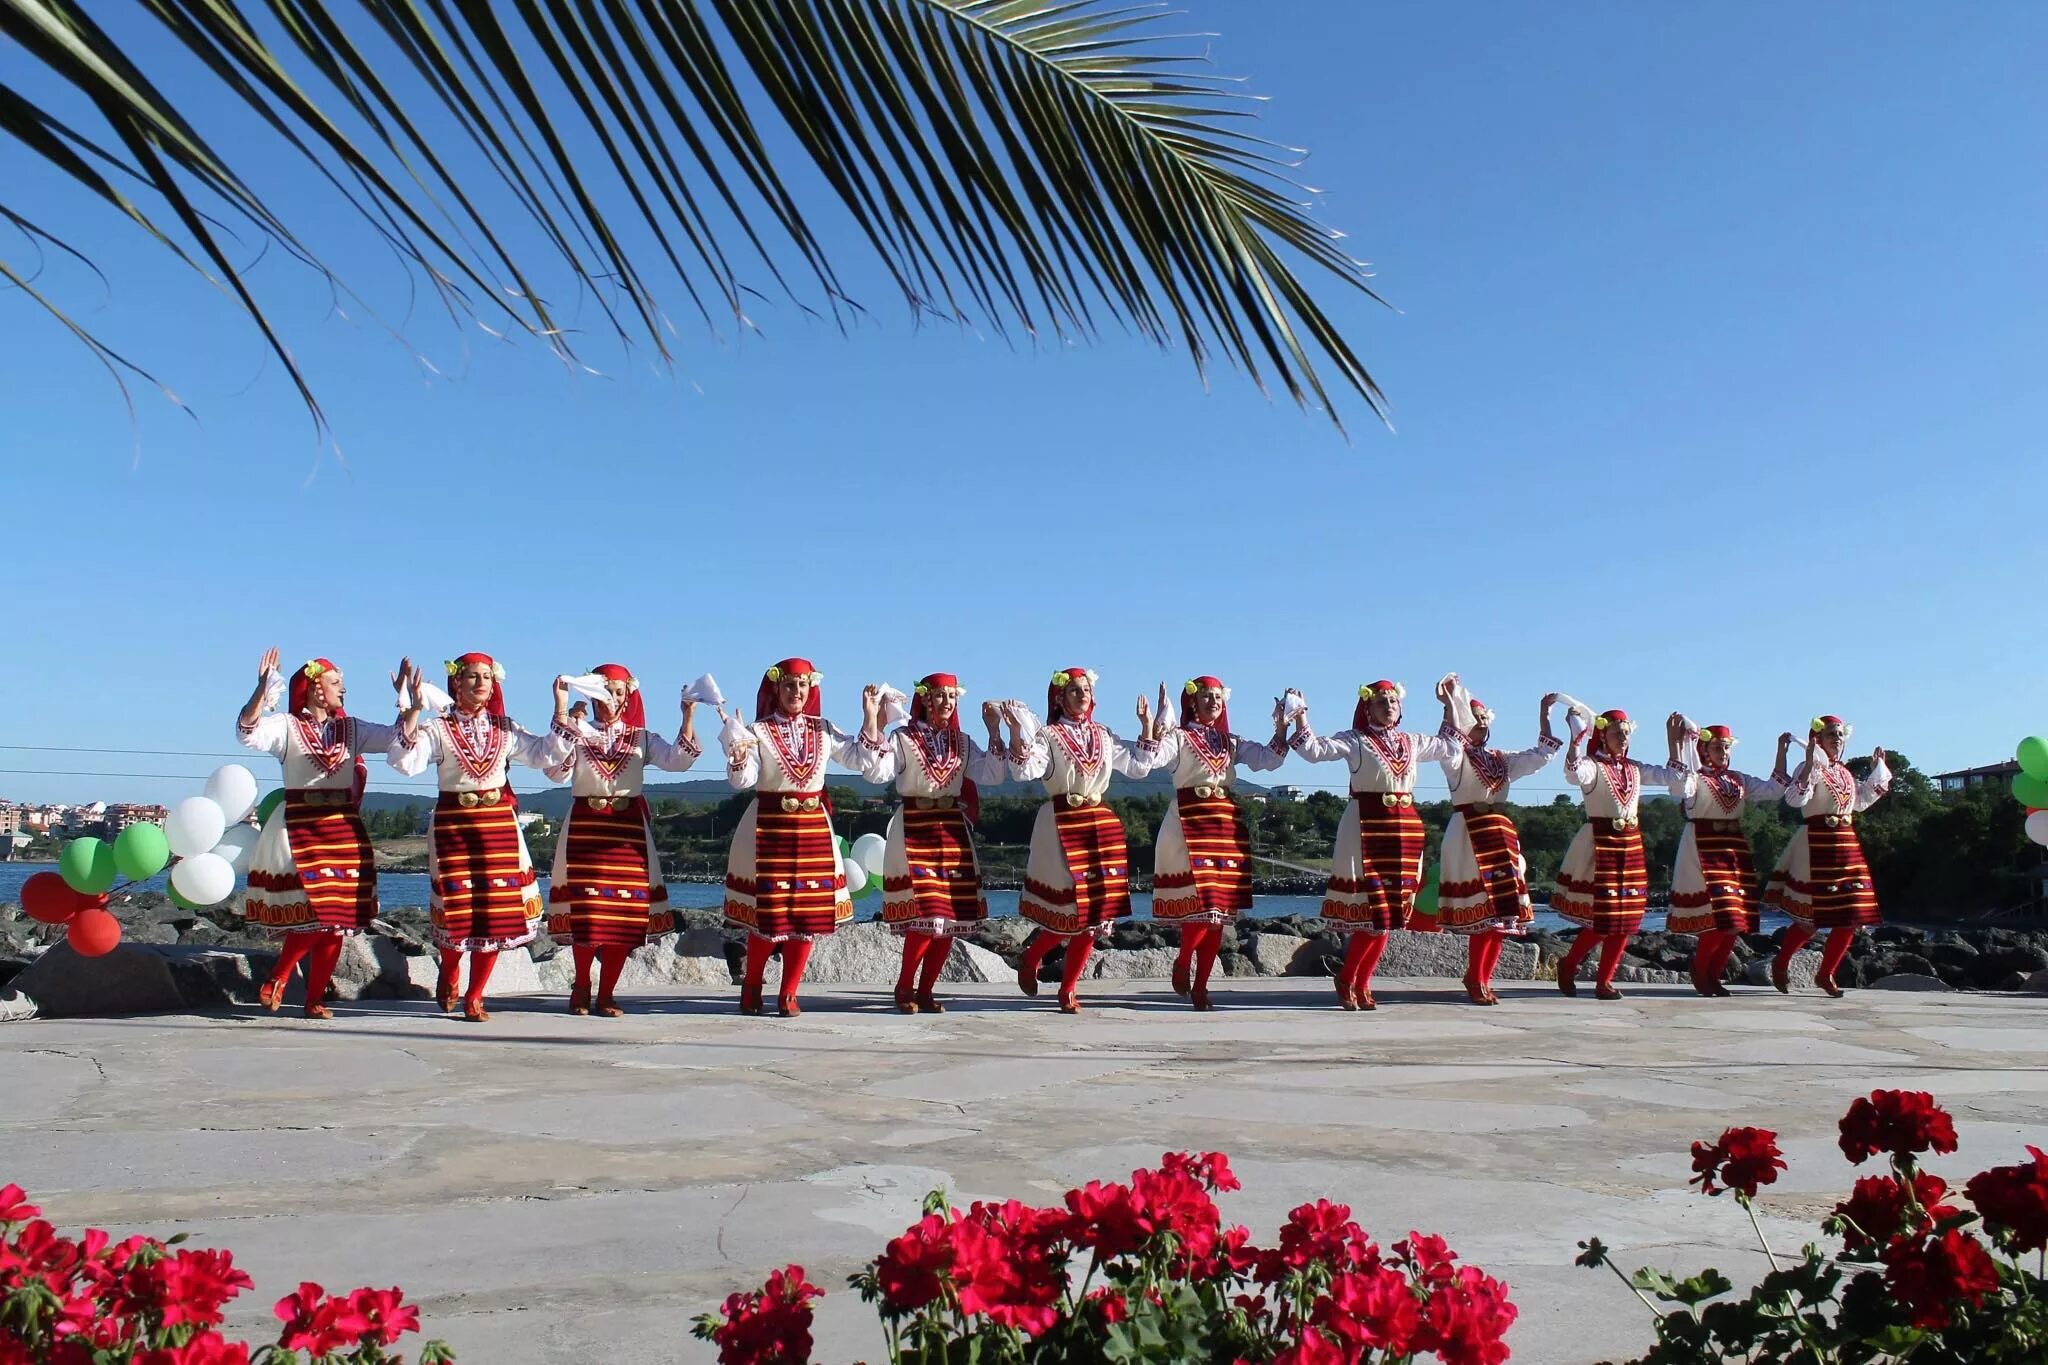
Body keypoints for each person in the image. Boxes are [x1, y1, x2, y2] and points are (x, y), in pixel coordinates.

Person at [389, 653, 569, 1022]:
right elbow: (405, 763)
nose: (481, 683)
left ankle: (475, 995)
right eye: (472, 676)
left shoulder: (506, 728)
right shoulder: (437, 728)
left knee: (498, 912)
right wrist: (412, 712)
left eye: (487, 676)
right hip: (454, 824)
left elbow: (544, 754)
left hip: (498, 825)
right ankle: (451, 969)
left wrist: (560, 706)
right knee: (457, 910)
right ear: (456, 682)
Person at [234, 648, 407, 1019]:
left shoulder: (352, 728)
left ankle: (314, 998)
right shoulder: (285, 726)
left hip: (342, 826)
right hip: (300, 823)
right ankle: (280, 976)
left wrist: (405, 699)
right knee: (322, 913)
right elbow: (247, 733)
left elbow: (396, 737)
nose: (342, 689)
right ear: (314, 688)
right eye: (335, 682)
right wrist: (262, 691)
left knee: (337, 922)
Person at [721, 659, 889, 1017]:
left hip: (812, 827)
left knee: (808, 917)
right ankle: (752, 985)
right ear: (776, 690)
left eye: (802, 686)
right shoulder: (758, 730)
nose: (795, 692)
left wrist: (870, 716)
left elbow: (865, 763)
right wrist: (738, 754)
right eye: (788, 686)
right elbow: (744, 779)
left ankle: (789, 993)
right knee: (769, 917)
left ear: (811, 689)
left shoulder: (825, 729)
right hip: (770, 827)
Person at [1288, 680, 1459, 1010]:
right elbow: (1312, 750)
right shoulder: (1356, 741)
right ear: (1367, 707)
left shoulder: (1412, 741)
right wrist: (1300, 716)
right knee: (1374, 914)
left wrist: (1448, 703)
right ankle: (1350, 977)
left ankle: (1360, 981)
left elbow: (1449, 745)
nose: (1389, 705)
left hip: (1405, 830)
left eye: (1393, 700)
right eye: (1382, 701)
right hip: (1366, 826)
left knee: (1390, 917)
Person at [542, 664, 700, 1017]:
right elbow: (554, 771)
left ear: (627, 697)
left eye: (616, 692)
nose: (609, 699)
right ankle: (581, 986)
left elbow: (678, 762)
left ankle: (607, 993)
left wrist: (687, 718)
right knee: (587, 914)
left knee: (622, 915)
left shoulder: (642, 737)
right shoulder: (579, 731)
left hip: (627, 831)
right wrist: (567, 723)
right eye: (603, 691)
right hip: (585, 826)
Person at [1006, 667, 1160, 1014]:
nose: (1081, 695)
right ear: (1059, 697)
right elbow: (1025, 769)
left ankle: (1068, 989)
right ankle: (1031, 957)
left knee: (1093, 917)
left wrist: (1147, 726)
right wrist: (1017, 732)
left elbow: (1138, 767)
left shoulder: (1104, 735)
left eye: (1086, 690)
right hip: (1061, 823)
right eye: (1074, 690)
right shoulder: (1049, 735)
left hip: (1099, 825)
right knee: (1067, 913)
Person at [1147, 676, 1288, 1010]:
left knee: (1218, 913)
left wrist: (1282, 727)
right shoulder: (1179, 739)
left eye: (1218, 698)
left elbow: (1269, 759)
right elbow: (1152, 760)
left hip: (1223, 825)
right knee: (1203, 907)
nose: (1213, 702)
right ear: (1192, 703)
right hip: (1188, 821)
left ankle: (1201, 985)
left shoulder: (1231, 742)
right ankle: (1184, 960)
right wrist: (1153, 730)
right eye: (1206, 697)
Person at [1419, 678, 1563, 1005]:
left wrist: (1544, 715)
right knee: (1484, 912)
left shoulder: (1501, 759)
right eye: (1474, 720)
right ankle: (1477, 977)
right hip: (1470, 832)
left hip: (1499, 833)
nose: (1481, 725)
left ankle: (1481, 976)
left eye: (1484, 720)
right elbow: (1449, 743)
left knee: (1502, 916)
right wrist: (1450, 707)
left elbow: (1540, 756)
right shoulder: (1455, 758)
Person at [873, 673, 1011, 1013]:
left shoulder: (962, 742)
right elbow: (877, 769)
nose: (947, 702)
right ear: (925, 699)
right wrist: (875, 723)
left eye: (952, 696)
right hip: (915, 827)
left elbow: (993, 774)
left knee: (950, 919)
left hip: (951, 829)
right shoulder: (903, 738)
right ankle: (905, 985)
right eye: (939, 696)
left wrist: (994, 730)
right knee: (927, 915)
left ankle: (926, 990)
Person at [1552, 708, 1682, 1001]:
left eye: (1625, 733)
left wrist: (1672, 741)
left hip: (1630, 844)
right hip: (1601, 844)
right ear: (1602, 735)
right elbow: (1574, 774)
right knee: (1605, 920)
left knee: (1628, 921)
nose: (1622, 738)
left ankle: (1604, 981)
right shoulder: (1593, 766)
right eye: (1615, 733)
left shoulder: (1635, 768)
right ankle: (1569, 963)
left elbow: (1672, 777)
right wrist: (1574, 739)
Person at [1764, 715, 1891, 997]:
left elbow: (1860, 802)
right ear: (1817, 739)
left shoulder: (1844, 773)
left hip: (1846, 845)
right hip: (1816, 844)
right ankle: (1781, 963)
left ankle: (1826, 973)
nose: (1836, 739)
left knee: (1851, 917)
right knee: (1809, 920)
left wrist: (1876, 772)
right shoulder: (1811, 768)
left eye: (1840, 735)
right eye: (1831, 734)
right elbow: (1795, 800)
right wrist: (1809, 763)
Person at [1664, 717, 1790, 997]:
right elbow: (1678, 788)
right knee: (1718, 919)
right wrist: (1675, 744)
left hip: (1732, 847)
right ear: (1704, 750)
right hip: (1702, 847)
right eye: (1718, 747)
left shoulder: (1739, 779)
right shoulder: (1696, 779)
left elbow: (1774, 789)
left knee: (1734, 922)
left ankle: (1712, 974)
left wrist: (1781, 752)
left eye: (1727, 747)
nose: (1724, 752)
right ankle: (1700, 969)